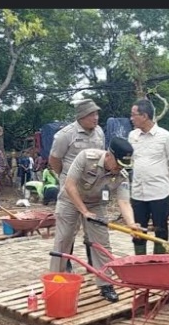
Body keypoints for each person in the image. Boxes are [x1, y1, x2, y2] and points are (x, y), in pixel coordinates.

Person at [49, 137, 140, 302]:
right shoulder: (86, 157)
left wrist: (132, 224)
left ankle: (105, 284)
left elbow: (124, 202)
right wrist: (83, 211)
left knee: (102, 243)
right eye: (118, 164)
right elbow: (69, 185)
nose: (119, 168)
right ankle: (56, 281)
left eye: (123, 166)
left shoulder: (122, 174)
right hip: (70, 199)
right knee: (63, 240)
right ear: (109, 155)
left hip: (96, 204)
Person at [49, 98, 105, 270]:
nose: (96, 118)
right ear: (81, 116)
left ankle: (98, 271)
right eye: (91, 114)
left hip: (93, 193)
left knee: (97, 234)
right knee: (65, 235)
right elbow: (54, 160)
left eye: (96, 113)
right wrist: (67, 178)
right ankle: (61, 269)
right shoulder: (65, 135)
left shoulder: (99, 132)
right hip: (70, 193)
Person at [128, 98, 169, 256]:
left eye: (133, 114)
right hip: (138, 193)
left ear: (144, 116)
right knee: (137, 230)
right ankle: (140, 262)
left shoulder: (165, 137)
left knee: (161, 229)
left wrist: (166, 187)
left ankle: (160, 262)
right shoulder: (132, 136)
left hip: (159, 193)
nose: (131, 118)